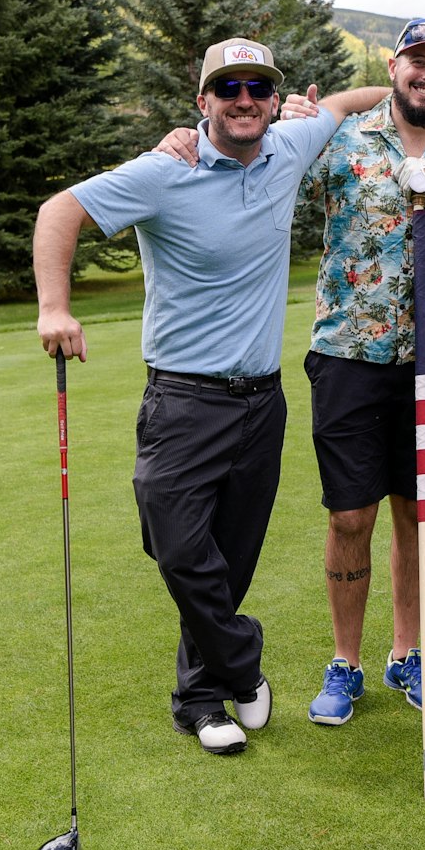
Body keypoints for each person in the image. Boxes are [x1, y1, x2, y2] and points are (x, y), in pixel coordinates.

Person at [32, 38, 342, 755]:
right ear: (202, 102)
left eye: (258, 88)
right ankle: (243, 657)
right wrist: (54, 306)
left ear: (272, 100)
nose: (244, 99)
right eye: (227, 87)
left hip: (264, 403)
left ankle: (200, 702)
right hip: (184, 400)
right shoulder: (163, 170)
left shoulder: (289, 145)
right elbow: (59, 211)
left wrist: (323, 105)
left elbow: (354, 103)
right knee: (174, 543)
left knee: (228, 562)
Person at [290, 18, 425, 726]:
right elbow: (276, 166)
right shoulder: (344, 139)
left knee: (417, 513)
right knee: (351, 513)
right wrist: (319, 108)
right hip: (348, 354)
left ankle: (407, 655)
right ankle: (345, 662)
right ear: (395, 65)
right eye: (417, 61)